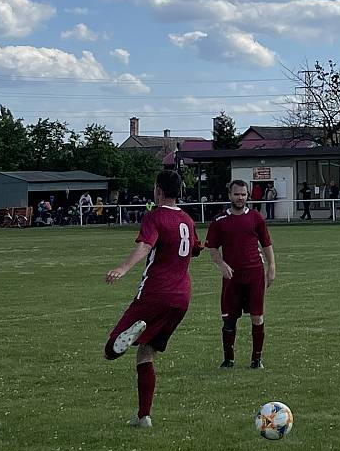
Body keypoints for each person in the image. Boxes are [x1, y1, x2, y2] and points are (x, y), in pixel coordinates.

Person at [103, 170, 203, 428]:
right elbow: (194, 249)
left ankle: (134, 332)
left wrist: (123, 268)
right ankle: (143, 416)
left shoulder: (155, 216)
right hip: (181, 299)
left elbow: (146, 245)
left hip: (155, 293)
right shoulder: (188, 220)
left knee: (111, 349)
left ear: (158, 190)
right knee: (146, 355)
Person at [205, 180, 276, 370]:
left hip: (254, 274)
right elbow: (212, 247)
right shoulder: (219, 221)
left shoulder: (256, 218)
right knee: (229, 318)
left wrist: (271, 267)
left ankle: (256, 360)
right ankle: (228, 360)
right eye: (237, 194)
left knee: (257, 317)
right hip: (232, 277)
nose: (240, 198)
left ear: (247, 196)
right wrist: (221, 264)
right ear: (229, 195)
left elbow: (267, 244)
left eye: (243, 194)